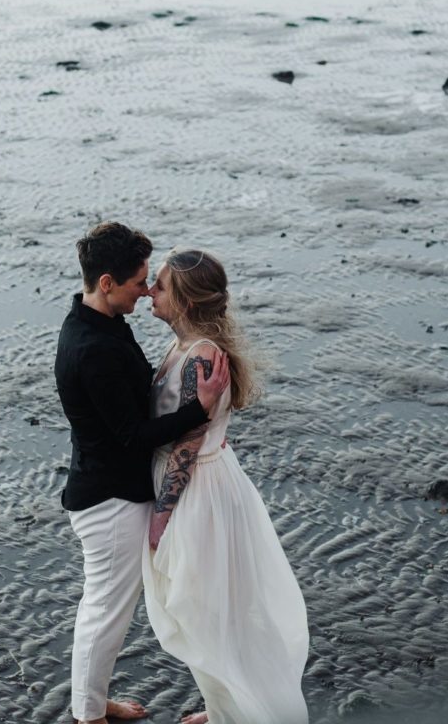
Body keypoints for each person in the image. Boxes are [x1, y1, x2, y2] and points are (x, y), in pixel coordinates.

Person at [55, 223, 231, 724]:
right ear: (106, 282)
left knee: (109, 609)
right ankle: (89, 715)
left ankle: (91, 700)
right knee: (105, 612)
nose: (147, 290)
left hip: (109, 486)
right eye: (139, 282)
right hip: (108, 500)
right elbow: (133, 435)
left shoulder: (98, 324)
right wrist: (201, 410)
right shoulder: (95, 349)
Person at [142, 248, 309, 724]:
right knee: (204, 610)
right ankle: (222, 710)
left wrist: (161, 515)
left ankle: (245, 712)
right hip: (207, 479)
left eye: (160, 286)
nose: (150, 292)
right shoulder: (184, 347)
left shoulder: (200, 357)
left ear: (187, 300)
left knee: (207, 611)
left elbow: (190, 443)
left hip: (198, 491)